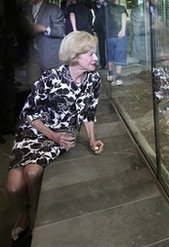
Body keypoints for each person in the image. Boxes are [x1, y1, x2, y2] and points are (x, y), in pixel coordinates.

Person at [6, 31, 105, 241]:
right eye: (91, 54)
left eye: (95, 53)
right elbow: (29, 113)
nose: (96, 58)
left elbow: (89, 112)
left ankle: (34, 214)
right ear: (75, 55)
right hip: (35, 132)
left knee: (32, 173)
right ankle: (24, 211)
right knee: (14, 188)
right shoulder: (50, 77)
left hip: (61, 135)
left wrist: (91, 139)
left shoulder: (93, 79)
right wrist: (54, 136)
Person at [0, 0, 33, 144]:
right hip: (5, 58)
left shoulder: (8, 12)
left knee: (7, 93)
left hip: (5, 61)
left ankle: (6, 125)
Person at [26, 0, 65, 87]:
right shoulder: (27, 10)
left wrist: (45, 28)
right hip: (32, 55)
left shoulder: (54, 9)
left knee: (53, 89)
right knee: (33, 87)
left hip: (51, 57)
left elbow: (61, 32)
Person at [105, 0, 128, 86]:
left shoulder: (105, 9)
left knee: (110, 54)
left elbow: (99, 22)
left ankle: (110, 74)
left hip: (109, 35)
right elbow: (123, 14)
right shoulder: (121, 8)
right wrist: (123, 29)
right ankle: (118, 78)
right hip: (120, 36)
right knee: (120, 56)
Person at [93, 0, 107, 69]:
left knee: (108, 46)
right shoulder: (95, 4)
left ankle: (108, 63)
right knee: (101, 46)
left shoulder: (107, 5)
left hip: (108, 27)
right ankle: (103, 63)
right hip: (100, 28)